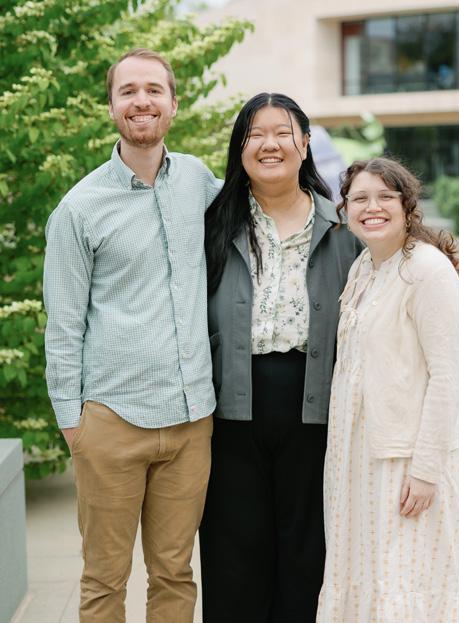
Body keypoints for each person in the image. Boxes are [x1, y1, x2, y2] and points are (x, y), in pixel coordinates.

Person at [43, 49, 220, 622]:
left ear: (173, 103)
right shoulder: (79, 208)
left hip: (191, 421)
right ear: (111, 107)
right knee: (104, 580)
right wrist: (74, 424)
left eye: (153, 90)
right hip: (111, 422)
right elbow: (63, 325)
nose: (141, 101)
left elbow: (270, 206)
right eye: (128, 91)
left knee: (175, 574)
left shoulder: (197, 180)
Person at [199, 93, 364, 623]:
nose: (269, 144)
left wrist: (454, 273)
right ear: (239, 147)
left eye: (282, 132)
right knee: (234, 555)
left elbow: (401, 256)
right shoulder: (213, 221)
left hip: (315, 405)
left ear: (305, 143)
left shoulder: (343, 225)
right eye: (255, 134)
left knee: (306, 552)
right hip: (231, 405)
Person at [317, 157, 459, 622]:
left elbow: (446, 378)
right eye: (360, 198)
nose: (372, 207)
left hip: (403, 462)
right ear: (345, 209)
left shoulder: (427, 269)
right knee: (365, 579)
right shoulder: (364, 266)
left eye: (385, 196)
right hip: (356, 458)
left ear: (407, 206)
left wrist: (425, 470)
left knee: (402, 584)